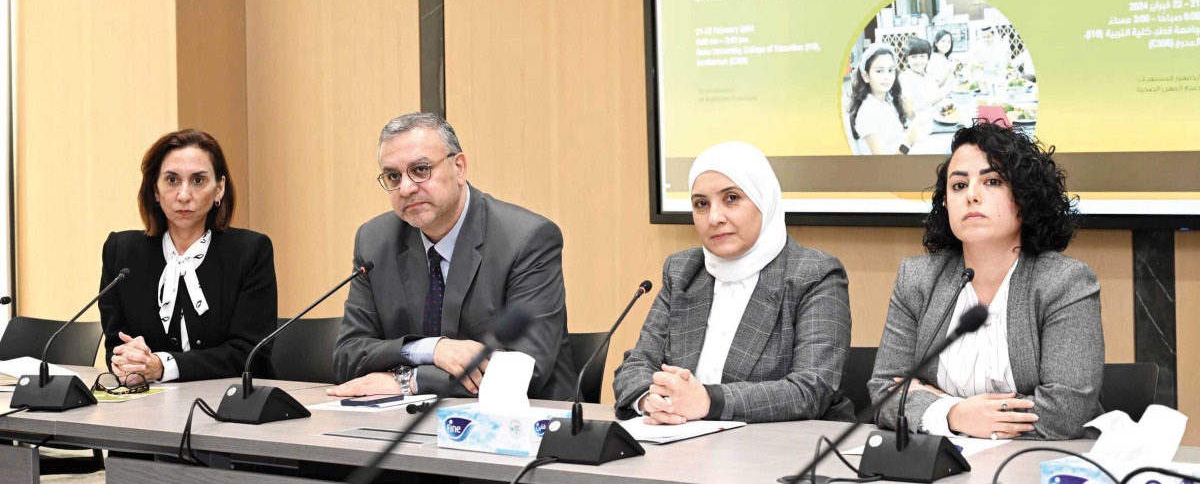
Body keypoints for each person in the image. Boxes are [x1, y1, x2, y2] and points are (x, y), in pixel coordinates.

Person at [869, 121, 1103, 440]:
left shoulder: (1064, 282)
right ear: (945, 203)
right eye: (959, 186)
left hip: (1037, 464)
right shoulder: (918, 278)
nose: (972, 196)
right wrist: (954, 414)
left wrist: (941, 407)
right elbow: (885, 391)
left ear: (1024, 197)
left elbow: (1066, 412)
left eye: (992, 181)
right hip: (941, 465)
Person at [328, 113, 575, 399]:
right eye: (394, 176)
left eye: (420, 170)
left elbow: (524, 371)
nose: (406, 188)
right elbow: (348, 356)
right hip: (409, 425)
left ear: (459, 168)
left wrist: (410, 380)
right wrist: (433, 348)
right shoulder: (374, 241)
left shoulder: (527, 239)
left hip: (523, 426)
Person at [612, 142, 854, 424]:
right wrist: (650, 401)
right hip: (683, 444)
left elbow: (811, 390)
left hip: (781, 451)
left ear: (764, 200)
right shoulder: (683, 272)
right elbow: (636, 365)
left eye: (731, 198)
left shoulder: (813, 274)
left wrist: (707, 401)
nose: (715, 218)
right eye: (701, 204)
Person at [98, 129, 278, 384]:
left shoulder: (250, 251)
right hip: (147, 406)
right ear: (156, 191)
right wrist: (128, 362)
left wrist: (164, 367)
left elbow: (250, 353)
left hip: (234, 404)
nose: (183, 195)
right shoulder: (122, 252)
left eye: (197, 181)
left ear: (219, 189)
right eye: (172, 180)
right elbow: (116, 343)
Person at [847, 43, 924, 155]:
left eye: (890, 70)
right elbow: (884, 165)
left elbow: (895, 136)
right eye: (879, 71)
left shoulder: (888, 100)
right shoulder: (867, 112)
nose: (887, 76)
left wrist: (912, 116)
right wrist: (908, 141)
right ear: (866, 76)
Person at [899, 37, 951, 110]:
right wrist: (935, 99)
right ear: (907, 59)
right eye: (914, 57)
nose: (918, 61)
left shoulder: (928, 76)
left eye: (922, 56)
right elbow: (910, 109)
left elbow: (937, 95)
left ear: (928, 58)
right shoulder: (905, 78)